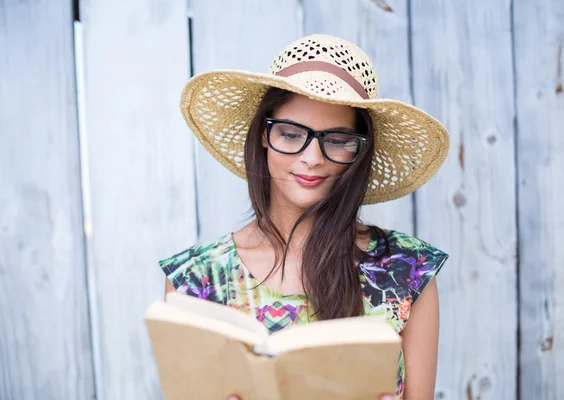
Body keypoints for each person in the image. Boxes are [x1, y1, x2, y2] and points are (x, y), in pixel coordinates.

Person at [159, 34, 450, 400]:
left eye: (337, 139)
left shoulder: (407, 270)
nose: (312, 157)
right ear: (264, 136)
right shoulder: (197, 281)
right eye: (291, 133)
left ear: (359, 150)